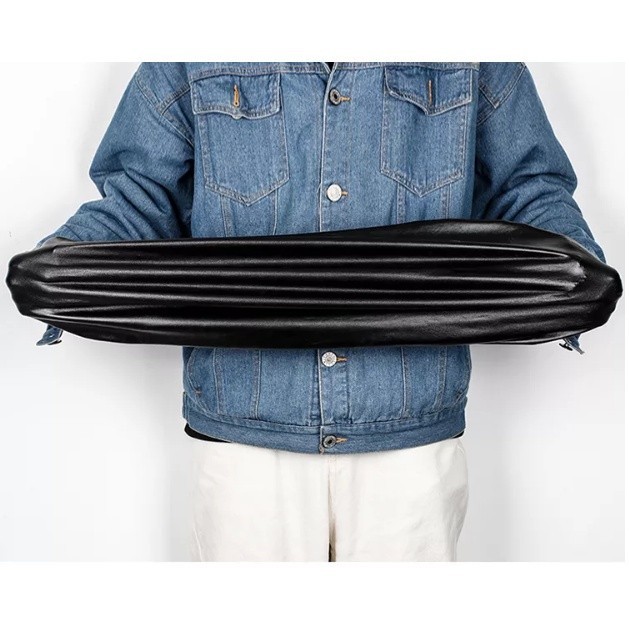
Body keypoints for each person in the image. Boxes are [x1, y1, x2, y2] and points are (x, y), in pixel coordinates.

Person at [35, 62, 606, 561]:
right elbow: (139, 196)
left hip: (406, 439)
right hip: (246, 443)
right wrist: (64, 265)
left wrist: (573, 266)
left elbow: (527, 186)